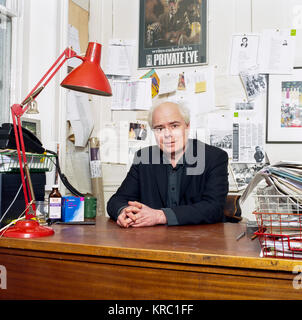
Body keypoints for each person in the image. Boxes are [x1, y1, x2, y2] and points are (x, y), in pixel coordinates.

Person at [107, 101, 229, 228]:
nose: (167, 134)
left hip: (200, 242)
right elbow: (116, 201)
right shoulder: (144, 158)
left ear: (187, 127)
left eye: (174, 126)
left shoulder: (214, 157)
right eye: (159, 128)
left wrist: (160, 216)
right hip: (154, 242)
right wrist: (125, 212)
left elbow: (214, 208)